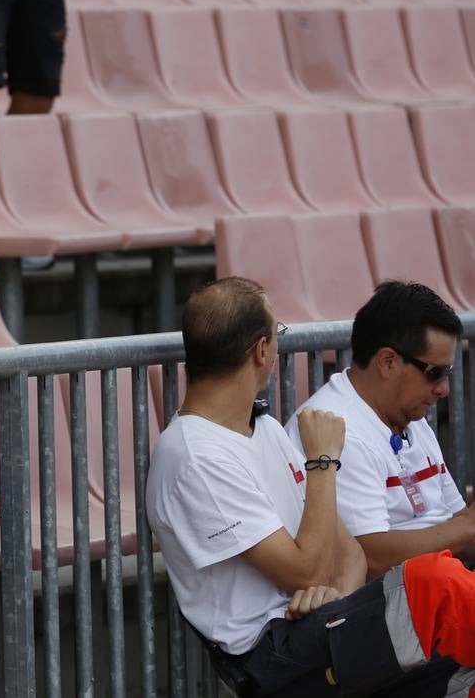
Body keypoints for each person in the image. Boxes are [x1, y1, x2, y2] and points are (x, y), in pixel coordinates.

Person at [147, 277, 475, 696]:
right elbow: (311, 568)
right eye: (277, 333)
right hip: (272, 654)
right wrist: (323, 462)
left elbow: (349, 553)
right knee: (436, 586)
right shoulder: (194, 456)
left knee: (462, 673)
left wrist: (335, 598)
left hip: (322, 624)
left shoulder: (261, 427)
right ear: (262, 350)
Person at [287, 282, 474, 580]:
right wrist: (468, 527)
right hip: (387, 608)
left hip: (439, 590)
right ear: (387, 362)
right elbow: (370, 557)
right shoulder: (338, 428)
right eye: (436, 373)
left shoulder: (411, 415)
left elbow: (453, 522)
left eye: (448, 373)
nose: (444, 389)